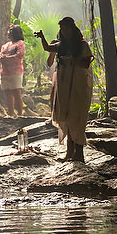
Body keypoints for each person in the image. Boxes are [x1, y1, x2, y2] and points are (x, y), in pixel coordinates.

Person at [36, 17, 94, 163]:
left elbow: (86, 63)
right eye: (62, 29)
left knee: (77, 116)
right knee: (66, 116)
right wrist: (43, 37)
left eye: (67, 28)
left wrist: (73, 60)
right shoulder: (60, 45)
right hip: (63, 84)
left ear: (73, 29)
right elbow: (48, 48)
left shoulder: (82, 45)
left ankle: (79, 153)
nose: (65, 31)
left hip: (78, 85)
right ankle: (69, 152)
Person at [0, 24, 27, 117]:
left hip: (15, 72)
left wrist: (6, 58)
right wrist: (2, 58)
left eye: (10, 31)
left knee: (16, 92)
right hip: (5, 72)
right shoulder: (5, 45)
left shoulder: (20, 43)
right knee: (8, 92)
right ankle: (11, 113)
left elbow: (19, 55)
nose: (8, 33)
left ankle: (20, 114)